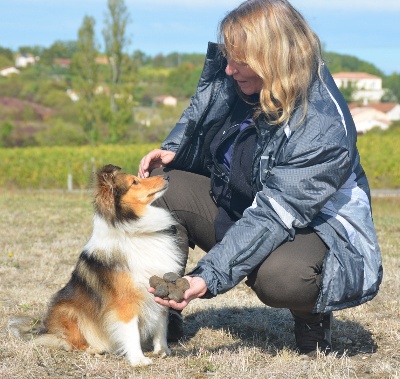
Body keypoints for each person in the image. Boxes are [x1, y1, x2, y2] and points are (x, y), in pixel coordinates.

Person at [138, 0, 382, 356]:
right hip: (247, 203)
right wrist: (177, 149)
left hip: (313, 229)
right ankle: (165, 310)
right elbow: (201, 113)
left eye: (239, 60)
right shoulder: (243, 80)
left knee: (281, 278)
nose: (228, 69)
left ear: (274, 56)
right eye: (228, 57)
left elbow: (274, 214)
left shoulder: (322, 125)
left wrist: (207, 277)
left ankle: (311, 316)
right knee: (159, 186)